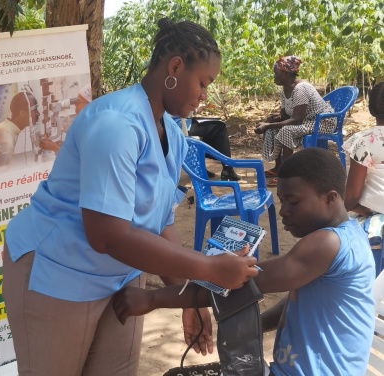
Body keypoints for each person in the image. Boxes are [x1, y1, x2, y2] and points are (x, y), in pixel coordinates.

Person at [2, 18, 259, 376]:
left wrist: (193, 294)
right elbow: (107, 234)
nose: (204, 95)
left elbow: (161, 222)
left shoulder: (171, 131)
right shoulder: (116, 124)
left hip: (121, 276)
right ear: (175, 67)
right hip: (58, 271)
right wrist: (210, 268)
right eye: (203, 83)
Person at [113, 147, 375, 375]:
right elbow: (298, 300)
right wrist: (253, 325)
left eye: (293, 202)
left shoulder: (326, 244)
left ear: (330, 198)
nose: (283, 211)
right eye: (282, 201)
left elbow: (236, 281)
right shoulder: (349, 235)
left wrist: (152, 300)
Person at [254, 55, 336, 185]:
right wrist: (272, 120)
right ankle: (279, 167)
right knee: (275, 127)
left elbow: (297, 120)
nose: (274, 77)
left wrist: (268, 125)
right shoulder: (285, 90)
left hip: (321, 122)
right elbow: (286, 116)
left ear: (285, 74)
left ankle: (288, 173)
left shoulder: (301, 89)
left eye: (276, 73)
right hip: (306, 120)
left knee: (286, 130)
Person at [343, 81, 384, 275]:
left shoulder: (363, 141)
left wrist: (367, 212)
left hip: (373, 216)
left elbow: (350, 199)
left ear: (371, 109)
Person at [0, 91, 41, 160]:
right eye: (35, 110)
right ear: (22, 113)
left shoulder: (11, 130)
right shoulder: (7, 137)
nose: (38, 114)